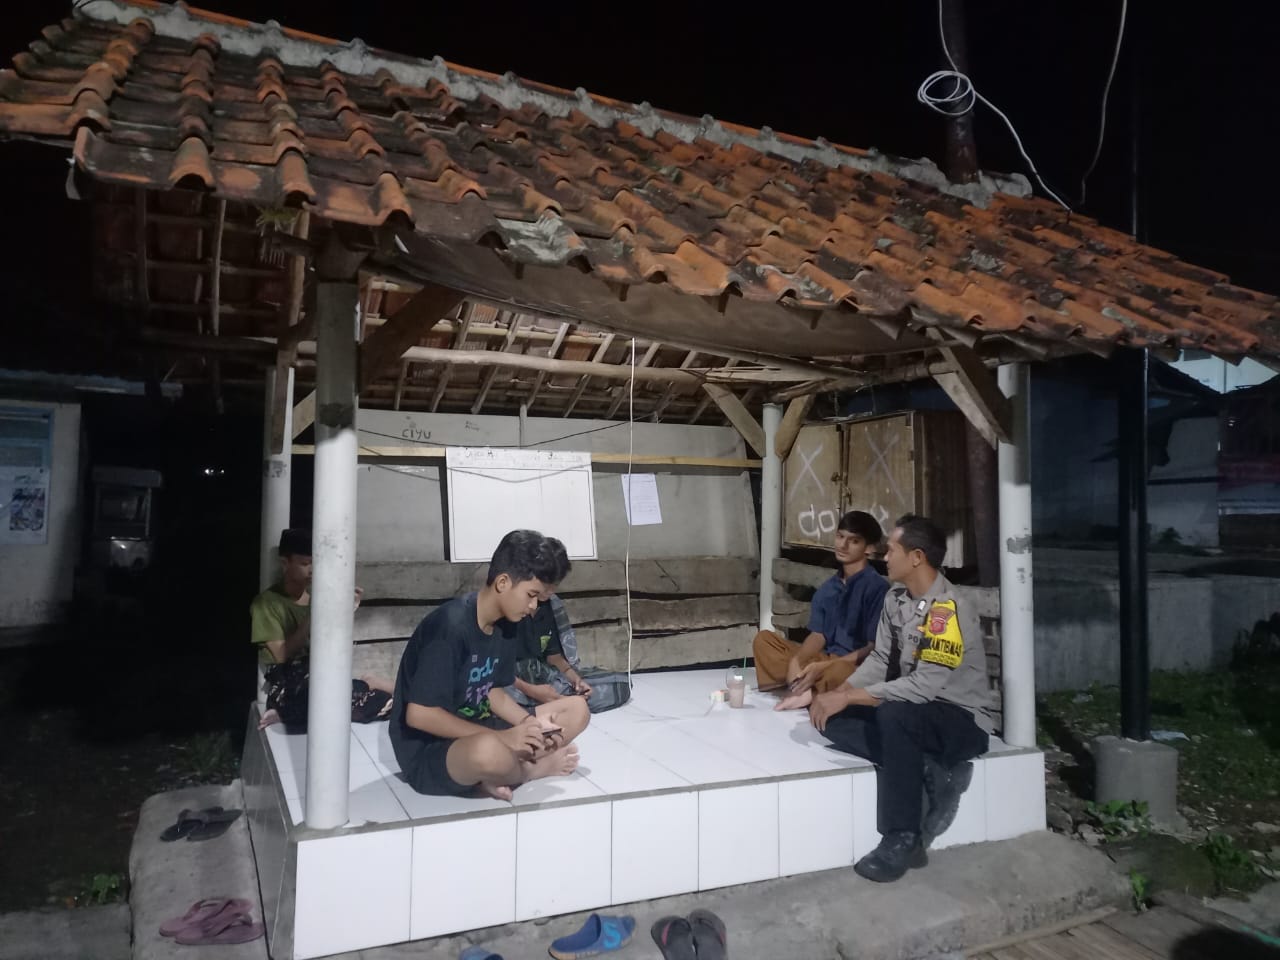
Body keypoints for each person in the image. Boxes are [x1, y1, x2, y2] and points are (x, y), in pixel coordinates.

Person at [807, 514, 995, 883]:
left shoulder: (946, 610)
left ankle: (903, 837)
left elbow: (923, 687)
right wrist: (841, 693)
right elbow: (881, 659)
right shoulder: (896, 599)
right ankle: (929, 768)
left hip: (959, 720)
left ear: (916, 557)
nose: (884, 557)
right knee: (833, 719)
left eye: (891, 550)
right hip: (915, 712)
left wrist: (854, 696)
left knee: (893, 715)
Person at [389, 529, 590, 800]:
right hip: (432, 750)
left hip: (480, 724)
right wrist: (505, 739)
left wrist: (529, 724)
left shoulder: (506, 624)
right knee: (486, 751)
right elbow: (420, 715)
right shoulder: (449, 627)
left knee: (577, 709)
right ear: (503, 582)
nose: (534, 606)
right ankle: (531, 770)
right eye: (531, 595)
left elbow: (492, 691)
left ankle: (498, 774)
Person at [250, 528, 388, 730]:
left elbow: (332, 645)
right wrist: (315, 612)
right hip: (289, 683)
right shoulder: (266, 603)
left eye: (316, 563)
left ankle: (367, 687)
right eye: (305, 563)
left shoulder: (318, 596)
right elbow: (281, 655)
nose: (312, 570)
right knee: (329, 699)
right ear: (285, 563)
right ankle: (366, 686)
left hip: (322, 676)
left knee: (377, 704)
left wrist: (347, 609)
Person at [752, 511, 889, 703]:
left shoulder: (876, 588)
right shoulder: (828, 588)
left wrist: (826, 666)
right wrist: (797, 660)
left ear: (869, 548)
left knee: (839, 671)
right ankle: (806, 687)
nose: (843, 545)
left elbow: (872, 648)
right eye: (840, 536)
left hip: (852, 665)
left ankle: (806, 690)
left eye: (854, 541)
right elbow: (818, 635)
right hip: (823, 659)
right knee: (764, 640)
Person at [509, 538, 594, 707]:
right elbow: (496, 670)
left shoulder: (551, 606)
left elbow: (553, 656)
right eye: (546, 584)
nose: (550, 591)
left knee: (615, 685)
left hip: (540, 676)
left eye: (555, 585)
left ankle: (557, 701)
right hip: (511, 682)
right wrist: (532, 691)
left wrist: (575, 679)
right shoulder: (510, 605)